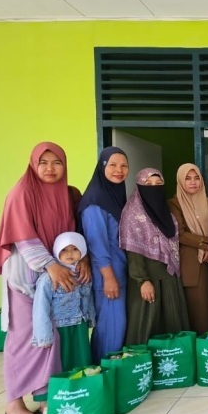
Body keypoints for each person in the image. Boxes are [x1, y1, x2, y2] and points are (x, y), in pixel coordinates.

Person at [0, 142, 89, 414]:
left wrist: (81, 258)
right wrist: (51, 265)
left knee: (49, 338)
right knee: (24, 338)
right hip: (25, 277)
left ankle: (46, 396)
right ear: (33, 164)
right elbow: (24, 238)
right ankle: (13, 405)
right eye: (43, 162)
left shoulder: (66, 195)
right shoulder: (21, 193)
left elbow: (71, 236)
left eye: (56, 162)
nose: (50, 168)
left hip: (54, 277)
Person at [120, 168, 190, 345]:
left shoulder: (166, 212)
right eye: (148, 184)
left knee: (172, 325)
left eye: (158, 184)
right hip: (147, 280)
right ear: (139, 187)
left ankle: (174, 368)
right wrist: (142, 280)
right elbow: (133, 251)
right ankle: (143, 369)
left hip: (168, 277)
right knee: (146, 326)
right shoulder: (132, 214)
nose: (154, 188)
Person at [79, 146, 129, 362]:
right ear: (102, 167)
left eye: (124, 166)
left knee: (117, 324)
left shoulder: (115, 197)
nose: (119, 170)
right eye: (113, 165)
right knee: (112, 325)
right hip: (108, 275)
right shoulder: (95, 201)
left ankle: (110, 371)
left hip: (119, 271)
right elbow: (96, 244)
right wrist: (108, 277)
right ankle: (103, 370)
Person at [32, 232, 95, 372]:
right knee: (62, 361)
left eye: (75, 249)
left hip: (80, 325)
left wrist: (91, 318)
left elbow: (88, 297)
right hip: (60, 328)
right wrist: (43, 336)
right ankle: (64, 391)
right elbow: (40, 308)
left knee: (82, 358)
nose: (69, 254)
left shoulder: (84, 275)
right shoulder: (47, 279)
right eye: (64, 250)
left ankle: (82, 389)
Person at [168, 163, 208, 334]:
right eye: (188, 178)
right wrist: (207, 243)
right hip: (190, 263)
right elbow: (179, 233)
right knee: (198, 309)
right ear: (180, 181)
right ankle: (199, 349)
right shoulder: (174, 203)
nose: (193, 182)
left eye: (196, 178)